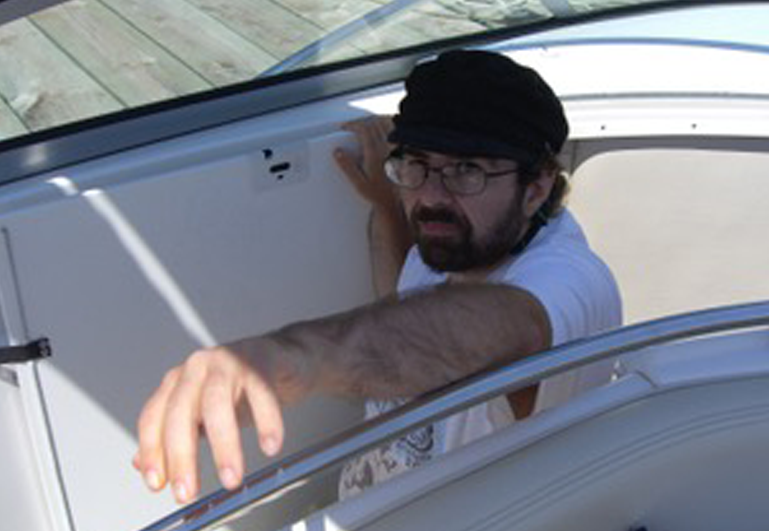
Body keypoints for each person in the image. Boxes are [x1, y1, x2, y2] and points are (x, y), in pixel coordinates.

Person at [133, 49, 622, 504]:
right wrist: (387, 212)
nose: (430, 197)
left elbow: (501, 328)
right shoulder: (453, 239)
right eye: (417, 163)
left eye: (467, 169)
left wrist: (293, 358)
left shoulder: (573, 281)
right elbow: (408, 304)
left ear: (536, 187)